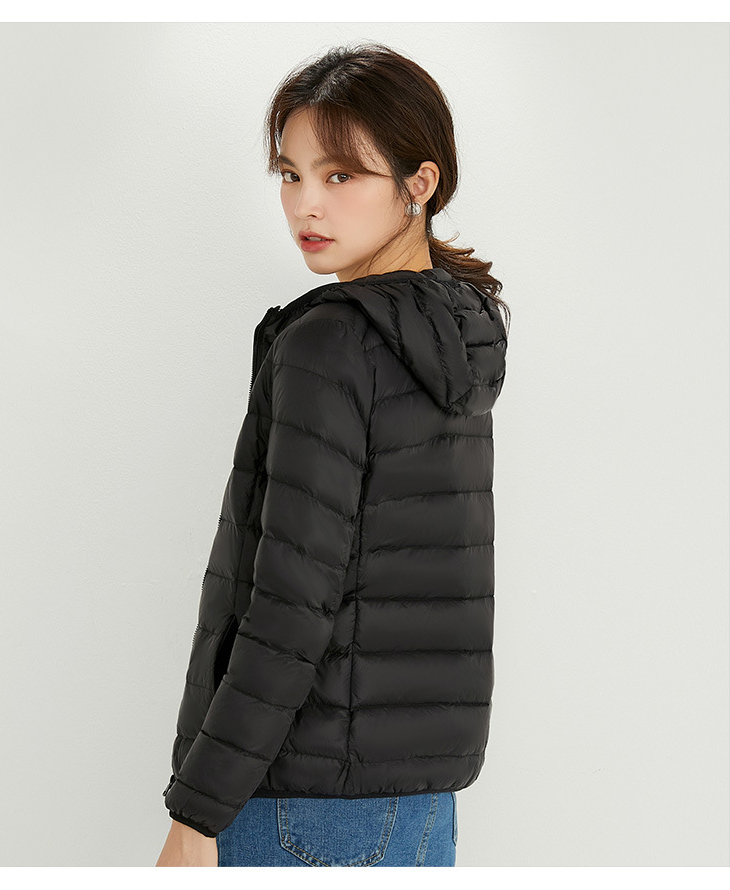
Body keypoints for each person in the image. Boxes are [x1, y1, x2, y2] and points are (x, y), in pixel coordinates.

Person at [156, 42, 510, 868]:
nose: (305, 204)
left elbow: (290, 608)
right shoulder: (453, 332)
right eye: (290, 174)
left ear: (419, 184)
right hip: (421, 809)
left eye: (341, 175)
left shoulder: (333, 342)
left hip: (302, 809)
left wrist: (196, 815)